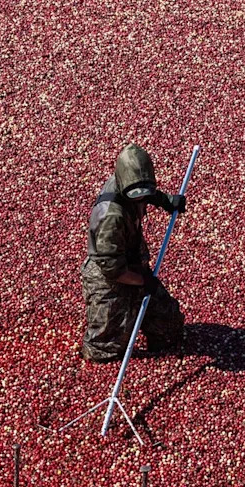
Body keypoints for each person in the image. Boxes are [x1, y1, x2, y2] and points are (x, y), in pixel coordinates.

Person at [80, 143, 186, 363]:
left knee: (169, 327)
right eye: (136, 194)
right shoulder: (110, 216)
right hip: (108, 276)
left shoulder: (133, 184)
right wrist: (141, 281)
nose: (141, 198)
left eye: (145, 192)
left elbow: (145, 191)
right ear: (122, 183)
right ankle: (105, 346)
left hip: (134, 262)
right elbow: (111, 268)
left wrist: (166, 201)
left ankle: (156, 334)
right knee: (105, 347)